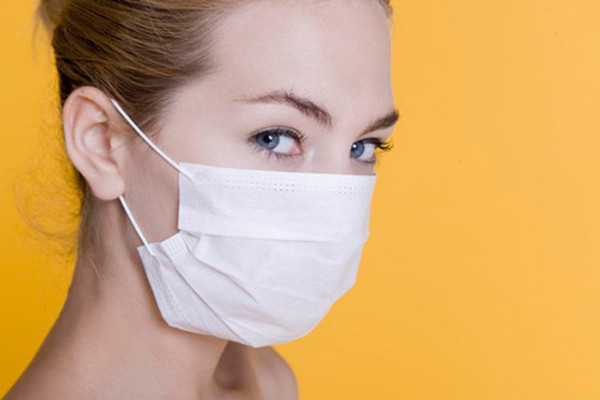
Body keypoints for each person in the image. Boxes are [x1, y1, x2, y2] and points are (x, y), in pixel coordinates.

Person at [5, 0, 398, 398]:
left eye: (363, 146)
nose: (334, 211)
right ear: (101, 141)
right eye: (274, 137)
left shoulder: (265, 382)